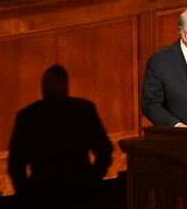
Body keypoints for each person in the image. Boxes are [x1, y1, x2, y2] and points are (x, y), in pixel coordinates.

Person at [7, 64, 113, 198]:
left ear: (43, 88)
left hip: (42, 195)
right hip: (80, 194)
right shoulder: (84, 110)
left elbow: (15, 164)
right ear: (66, 87)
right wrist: (91, 181)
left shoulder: (28, 116)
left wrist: (26, 194)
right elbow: (105, 151)